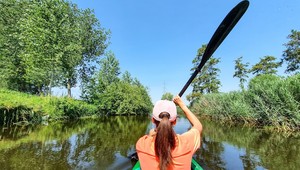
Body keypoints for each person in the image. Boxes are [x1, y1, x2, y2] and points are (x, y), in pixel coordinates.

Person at [136, 95, 203, 170]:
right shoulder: (186, 142)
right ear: (175, 121)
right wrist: (182, 105)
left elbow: (152, 136)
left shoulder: (141, 144)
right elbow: (198, 126)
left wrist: (151, 134)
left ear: (153, 120)